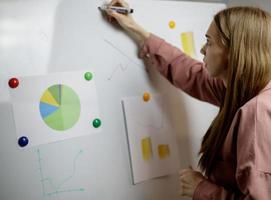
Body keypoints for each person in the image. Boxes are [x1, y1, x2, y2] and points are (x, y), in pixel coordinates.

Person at [103, 1, 271, 199]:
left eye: (209, 42)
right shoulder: (239, 89)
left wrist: (200, 188)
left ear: (233, 52)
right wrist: (133, 27)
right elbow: (190, 73)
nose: (201, 49)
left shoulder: (259, 112)